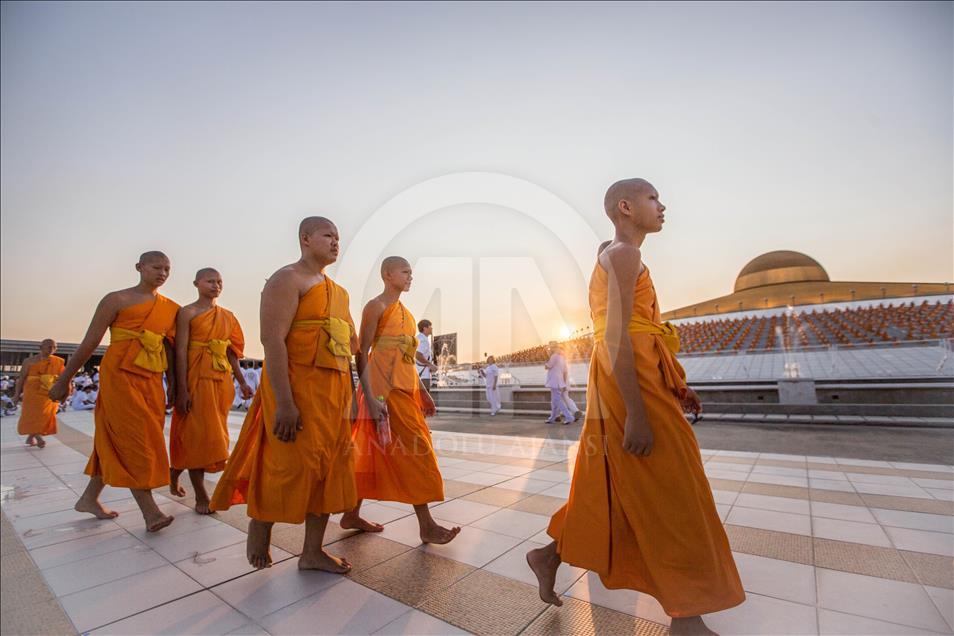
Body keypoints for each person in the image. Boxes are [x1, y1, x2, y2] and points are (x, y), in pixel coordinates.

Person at [526, 179, 744, 635]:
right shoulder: (623, 254)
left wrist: (675, 384)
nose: (662, 206)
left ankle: (551, 555)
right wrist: (639, 413)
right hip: (632, 384)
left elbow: (637, 330)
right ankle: (686, 617)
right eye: (652, 199)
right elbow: (617, 335)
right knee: (674, 489)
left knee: (618, 484)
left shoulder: (613, 251)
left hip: (636, 376)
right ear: (626, 207)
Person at [210, 217, 358, 573]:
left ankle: (312, 552)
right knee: (288, 465)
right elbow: (272, 341)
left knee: (329, 469)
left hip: (333, 395)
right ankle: (261, 524)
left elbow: (347, 350)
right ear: (306, 239)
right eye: (328, 235)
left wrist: (352, 398)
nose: (336, 242)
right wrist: (285, 403)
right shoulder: (286, 279)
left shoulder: (338, 292)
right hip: (297, 390)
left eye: (338, 237)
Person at [48, 251, 179, 532]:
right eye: (157, 267)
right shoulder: (116, 299)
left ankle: (89, 498)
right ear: (139, 267)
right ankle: (150, 512)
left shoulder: (170, 308)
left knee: (118, 440)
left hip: (151, 379)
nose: (163, 273)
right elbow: (90, 341)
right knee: (133, 440)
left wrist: (176, 386)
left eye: (167, 269)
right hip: (119, 376)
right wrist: (64, 379)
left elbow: (170, 350)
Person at [340, 257, 460, 545]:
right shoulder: (376, 306)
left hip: (406, 390)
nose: (410, 277)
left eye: (411, 273)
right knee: (417, 452)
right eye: (405, 271)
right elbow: (362, 353)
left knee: (377, 453)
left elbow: (406, 357)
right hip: (383, 390)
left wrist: (424, 392)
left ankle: (351, 514)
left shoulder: (406, 312)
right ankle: (426, 524)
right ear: (387, 274)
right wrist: (368, 396)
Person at [169, 268, 253, 514]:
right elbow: (180, 351)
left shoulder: (227, 316)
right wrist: (182, 389)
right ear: (196, 283)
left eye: (219, 281)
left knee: (214, 437)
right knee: (197, 438)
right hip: (195, 378)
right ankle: (201, 496)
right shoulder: (187, 313)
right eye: (210, 281)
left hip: (220, 381)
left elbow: (232, 353)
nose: (216, 285)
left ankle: (174, 472)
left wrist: (242, 382)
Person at [15, 339, 66, 448]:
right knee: (32, 415)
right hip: (32, 392)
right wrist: (16, 395)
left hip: (48, 391)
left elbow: (63, 378)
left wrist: (65, 392)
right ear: (40, 347)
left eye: (54, 347)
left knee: (45, 415)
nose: (52, 349)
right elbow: (22, 379)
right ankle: (38, 437)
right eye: (49, 347)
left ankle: (31, 437)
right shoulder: (29, 361)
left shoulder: (58, 361)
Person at [544, 343, 574, 424]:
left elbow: (548, 366)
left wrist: (546, 360)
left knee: (558, 401)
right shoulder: (562, 357)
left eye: (550, 348)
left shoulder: (554, 356)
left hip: (554, 382)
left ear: (553, 348)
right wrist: (563, 383)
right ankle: (552, 418)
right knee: (554, 402)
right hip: (559, 382)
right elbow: (565, 372)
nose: (549, 349)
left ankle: (569, 417)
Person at [415, 319, 439, 387]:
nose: (432, 328)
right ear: (425, 328)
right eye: (430, 326)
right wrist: (430, 365)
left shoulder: (418, 338)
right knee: (424, 396)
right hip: (423, 375)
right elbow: (417, 355)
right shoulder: (424, 340)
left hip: (418, 373)